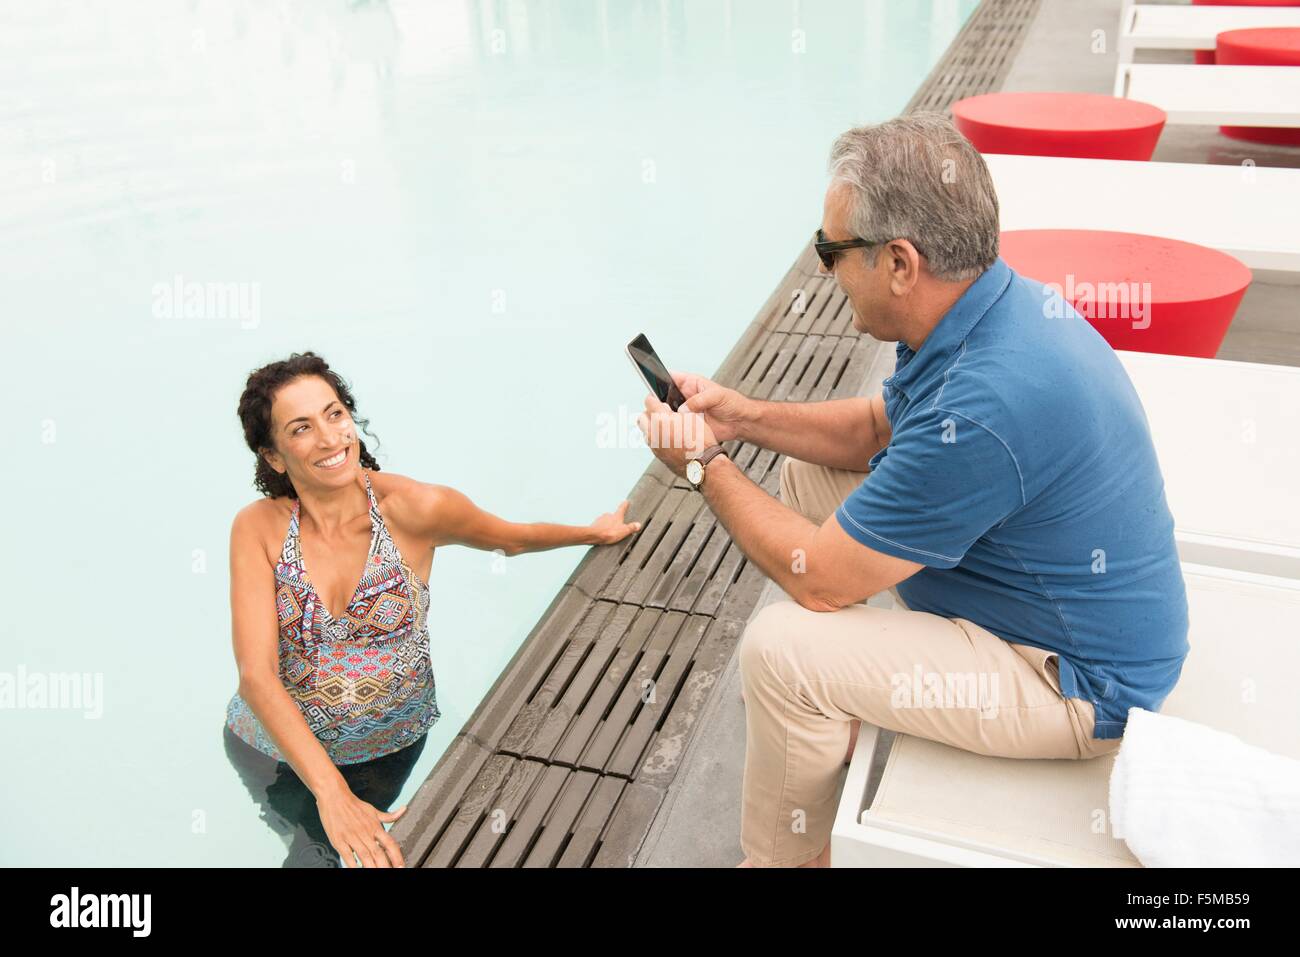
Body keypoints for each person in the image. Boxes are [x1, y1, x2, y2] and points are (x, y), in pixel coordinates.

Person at [637, 113, 1189, 868]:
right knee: (805, 477)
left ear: (900, 262)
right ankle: (829, 713)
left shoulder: (984, 401)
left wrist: (703, 467)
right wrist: (742, 417)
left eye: (831, 252)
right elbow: (874, 428)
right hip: (1044, 597)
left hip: (1076, 683)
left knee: (780, 651)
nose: (825, 270)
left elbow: (823, 582)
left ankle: (786, 860)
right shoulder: (982, 307)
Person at [225, 351, 640, 867]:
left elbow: (509, 539)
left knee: (324, 857)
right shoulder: (257, 528)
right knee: (304, 843)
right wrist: (329, 793)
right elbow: (256, 677)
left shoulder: (415, 509)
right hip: (269, 750)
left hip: (379, 754)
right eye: (302, 428)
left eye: (335, 414)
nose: (331, 438)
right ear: (274, 456)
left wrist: (591, 532)